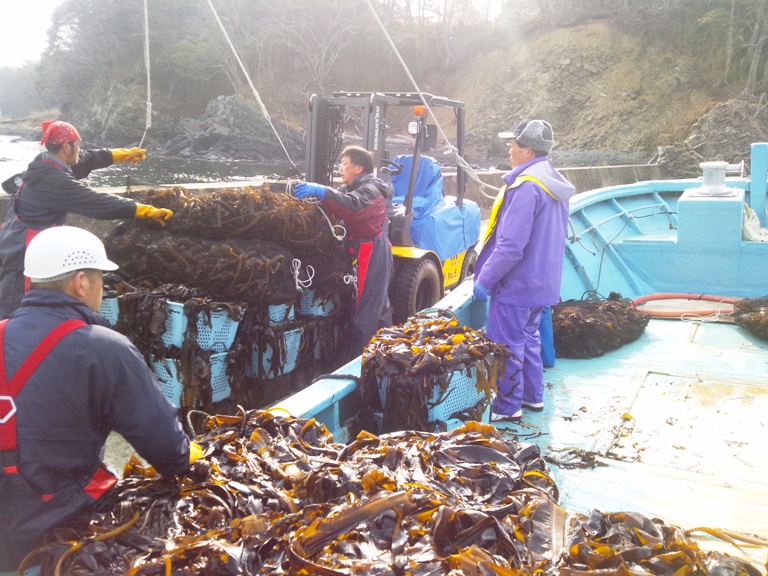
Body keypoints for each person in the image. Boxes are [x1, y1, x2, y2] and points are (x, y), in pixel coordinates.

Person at [0, 226, 198, 571]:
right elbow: (168, 451)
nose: (101, 290)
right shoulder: (104, 348)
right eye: (100, 281)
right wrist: (185, 456)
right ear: (80, 282)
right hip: (56, 523)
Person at [0, 120, 174, 319]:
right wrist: (142, 210)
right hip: (21, 250)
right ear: (67, 146)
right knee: (16, 307)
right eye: (78, 144)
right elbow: (95, 202)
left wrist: (124, 154)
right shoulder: (53, 180)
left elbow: (87, 159)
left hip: (22, 240)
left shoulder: (46, 162)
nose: (80, 149)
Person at [473, 120, 575, 422]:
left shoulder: (526, 187)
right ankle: (533, 398)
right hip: (542, 284)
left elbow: (510, 246)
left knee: (507, 346)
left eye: (513, 145)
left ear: (527, 151)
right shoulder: (553, 182)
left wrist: (485, 279)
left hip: (516, 286)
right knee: (530, 339)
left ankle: (507, 407)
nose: (509, 149)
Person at [294, 145, 393, 356]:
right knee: (378, 304)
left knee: (364, 309)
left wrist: (323, 191)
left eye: (344, 163)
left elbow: (353, 208)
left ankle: (359, 365)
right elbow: (338, 200)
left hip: (370, 250)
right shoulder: (353, 187)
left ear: (358, 168)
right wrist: (318, 194)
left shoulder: (369, 189)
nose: (340, 168)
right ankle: (385, 351)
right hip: (364, 248)